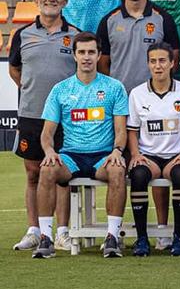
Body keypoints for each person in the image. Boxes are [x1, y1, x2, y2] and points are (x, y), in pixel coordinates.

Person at [32, 32, 129, 259]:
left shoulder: (114, 88)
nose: (86, 57)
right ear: (74, 56)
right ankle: (46, 238)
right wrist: (49, 152)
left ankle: (112, 237)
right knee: (46, 169)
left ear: (99, 55)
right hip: (71, 156)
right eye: (82, 52)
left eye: (91, 52)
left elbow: (121, 130)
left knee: (117, 169)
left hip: (103, 155)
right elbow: (47, 133)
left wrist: (117, 151)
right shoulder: (60, 90)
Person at [9, 0, 78, 253]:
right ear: (36, 0)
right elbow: (15, 70)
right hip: (31, 114)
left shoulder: (75, 35)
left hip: (66, 119)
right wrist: (31, 89)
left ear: (65, 2)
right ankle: (34, 230)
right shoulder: (23, 35)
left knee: (61, 174)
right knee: (33, 173)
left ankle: (62, 232)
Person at [127, 42, 180, 256]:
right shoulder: (137, 94)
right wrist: (136, 155)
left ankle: (178, 238)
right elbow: (132, 131)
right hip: (149, 156)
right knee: (138, 176)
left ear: (172, 63)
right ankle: (142, 239)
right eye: (153, 61)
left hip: (176, 156)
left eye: (162, 61)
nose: (158, 66)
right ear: (148, 64)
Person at [96, 0, 180, 94]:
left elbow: (173, 61)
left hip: (153, 97)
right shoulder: (108, 21)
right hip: (120, 98)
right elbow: (102, 64)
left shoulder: (164, 19)